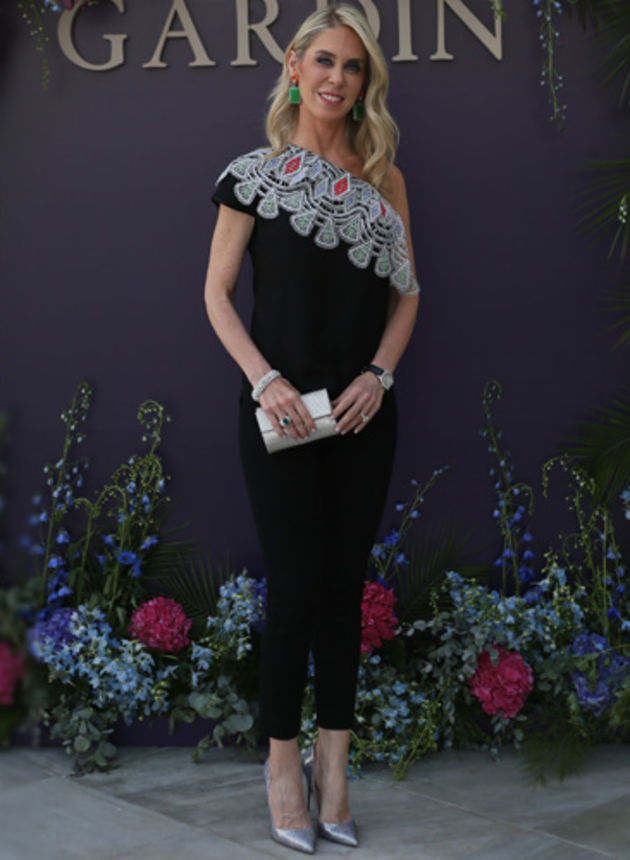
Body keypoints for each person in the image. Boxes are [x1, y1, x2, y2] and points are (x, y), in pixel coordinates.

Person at [203, 4, 419, 853]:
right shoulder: (252, 176)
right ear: (295, 66)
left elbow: (408, 296)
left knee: (342, 589)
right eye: (324, 60)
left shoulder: (384, 179)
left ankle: (335, 770)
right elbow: (216, 295)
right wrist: (265, 381)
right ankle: (282, 768)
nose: (337, 78)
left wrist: (379, 375)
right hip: (280, 414)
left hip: (362, 414)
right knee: (294, 586)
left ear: (366, 84)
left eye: (353, 67)